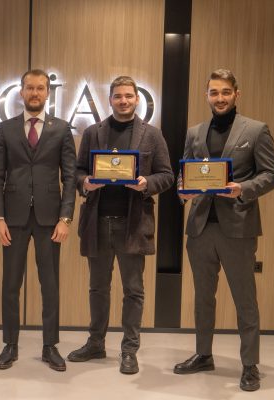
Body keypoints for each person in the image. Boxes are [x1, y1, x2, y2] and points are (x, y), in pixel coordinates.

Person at [174, 69, 274, 392]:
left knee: (245, 300)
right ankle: (203, 354)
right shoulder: (194, 132)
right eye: (213, 92)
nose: (219, 98)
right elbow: (184, 174)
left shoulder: (256, 130)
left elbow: (271, 175)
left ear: (236, 94)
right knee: (203, 298)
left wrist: (242, 189)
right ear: (206, 96)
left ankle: (250, 365)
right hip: (200, 228)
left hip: (238, 228)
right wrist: (182, 190)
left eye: (225, 92)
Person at [67, 76, 173, 374]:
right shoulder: (93, 132)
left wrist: (146, 183)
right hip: (97, 222)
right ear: (110, 99)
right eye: (118, 96)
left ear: (137, 99)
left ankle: (129, 350)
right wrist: (85, 182)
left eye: (128, 96)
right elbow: (77, 171)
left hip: (133, 223)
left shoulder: (152, 135)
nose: (123, 101)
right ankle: (96, 343)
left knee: (133, 290)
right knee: (97, 288)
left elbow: (166, 175)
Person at [0, 69, 76, 372]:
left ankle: (50, 346)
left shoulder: (62, 129)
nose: (35, 93)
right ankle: (10, 344)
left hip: (50, 219)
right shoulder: (5, 128)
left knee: (49, 285)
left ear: (48, 92)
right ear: (21, 92)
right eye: (30, 88)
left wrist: (65, 218)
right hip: (12, 218)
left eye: (40, 88)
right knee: (10, 284)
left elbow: (69, 177)